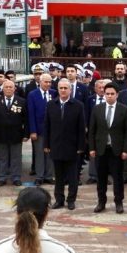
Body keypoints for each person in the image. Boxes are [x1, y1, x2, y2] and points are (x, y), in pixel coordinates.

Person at [87, 83, 127, 213]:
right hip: (101, 149)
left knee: (118, 178)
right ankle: (101, 202)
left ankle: (119, 202)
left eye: (112, 94)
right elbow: (92, 130)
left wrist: (125, 150)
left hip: (116, 150)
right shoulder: (97, 109)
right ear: (104, 94)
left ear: (117, 95)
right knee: (101, 178)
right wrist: (91, 148)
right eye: (107, 94)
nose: (110, 96)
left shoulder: (124, 110)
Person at [44, 79, 87, 210]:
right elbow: (47, 126)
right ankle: (59, 199)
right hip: (56, 146)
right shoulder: (51, 104)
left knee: (73, 176)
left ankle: (71, 200)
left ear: (70, 90)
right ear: (58, 89)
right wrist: (46, 144)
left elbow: (81, 127)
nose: (63, 90)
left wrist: (81, 147)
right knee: (59, 176)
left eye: (65, 88)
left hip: (72, 147)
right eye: (61, 88)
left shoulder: (78, 105)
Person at [0, 80, 28, 187]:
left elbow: (26, 119)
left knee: (16, 157)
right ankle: (2, 177)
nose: (8, 89)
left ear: (14, 89)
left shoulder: (22, 101)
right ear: (2, 89)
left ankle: (16, 177)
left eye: (10, 87)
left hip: (16, 134)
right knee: (2, 157)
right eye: (6, 87)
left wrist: (26, 134)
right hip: (0, 134)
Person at [27, 74, 56, 186]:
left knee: (50, 153)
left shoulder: (53, 93)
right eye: (46, 82)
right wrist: (33, 130)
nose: (48, 84)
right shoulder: (32, 94)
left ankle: (49, 175)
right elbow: (31, 113)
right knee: (39, 154)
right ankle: (40, 176)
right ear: (40, 82)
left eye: (50, 82)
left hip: (52, 130)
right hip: (38, 130)